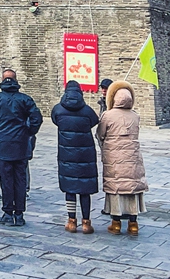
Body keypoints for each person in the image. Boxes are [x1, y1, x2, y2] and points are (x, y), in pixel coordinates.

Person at [0, 69, 42, 227]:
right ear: (16, 80)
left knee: (6, 180)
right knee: (20, 180)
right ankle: (19, 213)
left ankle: (8, 212)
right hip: (21, 144)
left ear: (2, 80)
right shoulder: (25, 99)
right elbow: (37, 118)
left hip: (3, 145)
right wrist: (28, 132)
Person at [97, 80, 148, 236]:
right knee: (132, 188)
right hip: (132, 157)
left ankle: (116, 223)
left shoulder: (107, 115)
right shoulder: (135, 116)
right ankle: (133, 224)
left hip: (114, 158)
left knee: (116, 188)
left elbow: (100, 134)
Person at [51, 80, 100, 234]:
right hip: (85, 155)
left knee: (70, 188)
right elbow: (95, 121)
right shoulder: (87, 111)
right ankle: (86, 222)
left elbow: (55, 121)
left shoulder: (58, 109)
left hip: (67, 155)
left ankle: (71, 221)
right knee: (84, 189)